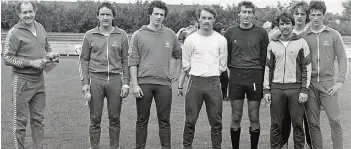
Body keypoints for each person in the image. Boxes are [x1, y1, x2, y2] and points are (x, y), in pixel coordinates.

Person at [3, 1, 58, 149]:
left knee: (38, 120)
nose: (28, 15)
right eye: (24, 12)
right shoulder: (14, 32)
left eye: (30, 12)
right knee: (20, 122)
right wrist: (31, 63)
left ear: (35, 12)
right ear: (19, 14)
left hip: (39, 81)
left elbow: (47, 47)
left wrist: (50, 54)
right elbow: (7, 58)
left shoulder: (40, 27)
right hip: (22, 81)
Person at [128, 1, 182, 148]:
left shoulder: (170, 34)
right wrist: (134, 84)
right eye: (156, 14)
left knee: (164, 121)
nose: (159, 17)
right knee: (142, 120)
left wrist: (175, 72)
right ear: (149, 15)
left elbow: (178, 54)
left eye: (162, 15)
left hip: (164, 84)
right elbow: (132, 61)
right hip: (143, 84)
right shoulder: (138, 34)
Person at [79, 2, 130, 149]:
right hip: (96, 80)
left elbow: (126, 60)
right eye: (102, 14)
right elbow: (84, 59)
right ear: (98, 17)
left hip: (115, 80)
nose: (105, 17)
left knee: (114, 118)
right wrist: (85, 83)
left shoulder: (121, 35)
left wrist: (126, 82)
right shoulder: (89, 35)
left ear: (113, 16)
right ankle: (94, 147)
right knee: (95, 118)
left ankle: (114, 146)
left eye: (108, 14)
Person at [303, 1, 348, 149]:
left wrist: (340, 81)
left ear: (323, 15)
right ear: (309, 15)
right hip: (310, 85)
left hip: (328, 83)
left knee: (334, 120)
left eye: (319, 15)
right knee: (313, 122)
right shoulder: (303, 35)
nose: (316, 18)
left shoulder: (333, 34)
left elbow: (342, 58)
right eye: (313, 15)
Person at [224, 1, 269, 148]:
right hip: (236, 76)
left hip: (255, 76)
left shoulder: (262, 33)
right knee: (236, 116)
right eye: (244, 11)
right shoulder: (230, 32)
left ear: (253, 14)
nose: (246, 15)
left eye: (250, 12)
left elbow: (264, 57)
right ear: (239, 13)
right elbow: (227, 56)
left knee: (253, 116)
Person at [263, 12, 311, 149]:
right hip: (277, 89)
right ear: (278, 26)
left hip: (295, 89)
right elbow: (268, 68)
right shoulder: (272, 44)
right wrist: (266, 90)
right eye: (282, 24)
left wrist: (304, 90)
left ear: (292, 24)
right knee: (276, 124)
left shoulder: (301, 43)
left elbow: (306, 67)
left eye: (288, 23)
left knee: (297, 124)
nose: (285, 27)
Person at [182, 6, 227, 149]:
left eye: (209, 18)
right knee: (190, 120)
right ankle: (187, 146)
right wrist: (196, 75)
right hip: (195, 82)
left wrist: (211, 74)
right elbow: (185, 63)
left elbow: (223, 64)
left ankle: (216, 146)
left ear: (214, 19)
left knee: (216, 120)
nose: (206, 21)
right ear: (199, 19)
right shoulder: (191, 39)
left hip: (213, 82)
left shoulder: (221, 39)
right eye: (204, 18)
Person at [279, 1, 312, 149]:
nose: (299, 16)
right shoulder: (282, 32)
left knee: (306, 117)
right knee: (285, 115)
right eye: (296, 13)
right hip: (287, 83)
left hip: (306, 81)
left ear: (307, 16)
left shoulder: (311, 32)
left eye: (302, 14)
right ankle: (284, 142)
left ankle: (310, 144)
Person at [214, 22, 230, 101]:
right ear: (219, 30)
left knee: (225, 79)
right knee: (217, 80)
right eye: (223, 29)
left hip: (223, 64)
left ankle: (224, 95)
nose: (224, 31)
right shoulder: (214, 39)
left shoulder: (224, 39)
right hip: (215, 63)